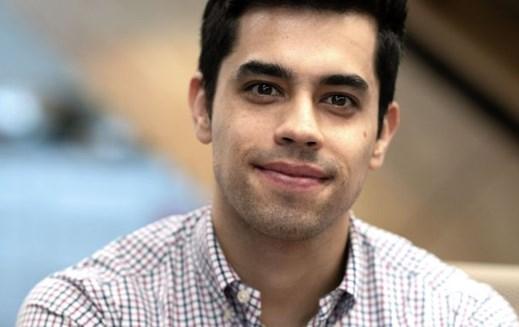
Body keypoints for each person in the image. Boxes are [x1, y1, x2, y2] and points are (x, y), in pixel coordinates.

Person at [18, 0, 518, 326]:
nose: (301, 127)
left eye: (339, 99)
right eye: (264, 89)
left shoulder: (460, 318)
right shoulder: (85, 314)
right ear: (203, 105)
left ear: (382, 134)